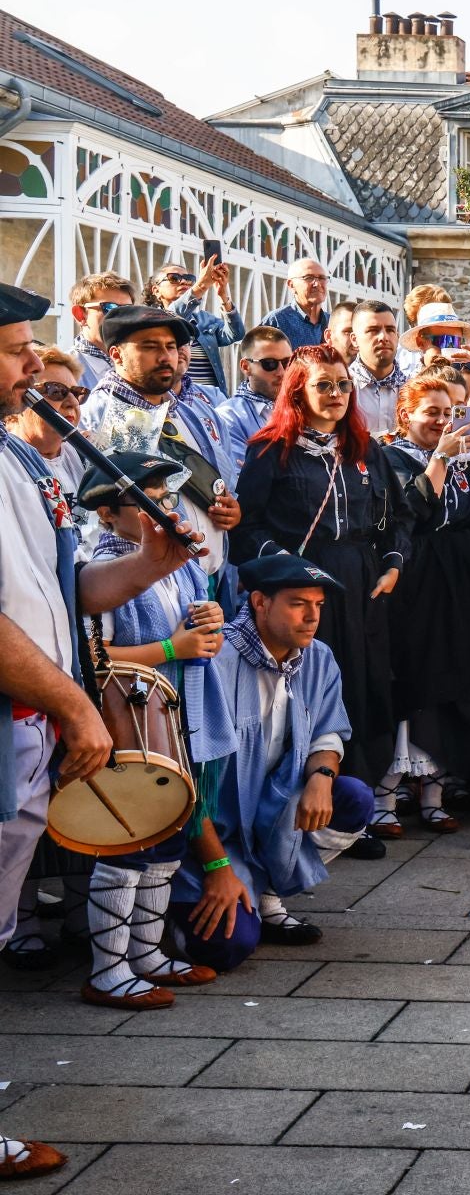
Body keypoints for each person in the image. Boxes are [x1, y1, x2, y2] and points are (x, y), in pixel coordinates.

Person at [0, 280, 205, 1183]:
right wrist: (77, 706)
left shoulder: (18, 461)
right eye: (17, 352)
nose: (31, 367)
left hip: (28, 723)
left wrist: (150, 562)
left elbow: (61, 595)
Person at [77, 454, 238, 1008]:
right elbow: (92, 659)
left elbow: (201, 622)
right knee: (127, 842)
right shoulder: (101, 569)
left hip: (180, 717)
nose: (162, 507)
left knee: (168, 837)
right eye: (144, 499)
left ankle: (146, 954)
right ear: (106, 514)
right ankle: (107, 971)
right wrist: (173, 647)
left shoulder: (181, 560)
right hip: (133, 722)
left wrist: (210, 623)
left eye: (164, 496)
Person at [172, 552, 373, 966]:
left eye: (318, 605)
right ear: (260, 602)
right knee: (225, 948)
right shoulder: (214, 660)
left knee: (352, 799)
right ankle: (163, 916)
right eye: (298, 604)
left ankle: (266, 892)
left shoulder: (318, 657)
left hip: (273, 818)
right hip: (208, 835)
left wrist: (321, 775)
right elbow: (187, 780)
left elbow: (329, 731)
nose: (312, 617)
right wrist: (217, 868)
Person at [232, 346, 408, 805]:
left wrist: (392, 565)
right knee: (308, 691)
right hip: (299, 588)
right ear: (298, 391)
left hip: (362, 584)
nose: (336, 394)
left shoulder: (366, 450)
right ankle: (298, 803)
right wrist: (286, 571)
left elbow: (397, 518)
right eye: (324, 385)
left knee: (363, 685)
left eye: (343, 385)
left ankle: (356, 802)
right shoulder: (271, 450)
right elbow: (245, 528)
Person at [371, 376, 470, 839]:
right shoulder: (390, 459)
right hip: (414, 587)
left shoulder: (466, 463)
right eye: (431, 412)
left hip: (459, 587)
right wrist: (440, 460)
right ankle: (384, 799)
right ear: (405, 415)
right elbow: (407, 514)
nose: (442, 421)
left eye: (449, 413)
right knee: (414, 684)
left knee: (454, 683)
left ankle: (435, 795)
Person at [78, 306, 243, 591]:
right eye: (150, 346)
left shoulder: (190, 411)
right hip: (147, 589)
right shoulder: (102, 415)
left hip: (207, 581)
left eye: (170, 346)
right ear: (116, 355)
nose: (166, 356)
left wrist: (231, 510)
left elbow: (224, 485)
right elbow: (97, 518)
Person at [149, 260, 243, 396]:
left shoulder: (204, 319)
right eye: (174, 278)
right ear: (156, 290)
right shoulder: (151, 320)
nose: (183, 282)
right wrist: (201, 286)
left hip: (210, 401)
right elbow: (171, 317)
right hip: (174, 400)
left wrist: (223, 297)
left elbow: (236, 334)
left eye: (188, 279)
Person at [5, 348, 88, 499]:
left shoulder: (86, 456)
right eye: (56, 391)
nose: (72, 402)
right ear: (19, 398)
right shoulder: (5, 462)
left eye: (76, 393)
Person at [215, 326, 294, 448]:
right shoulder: (229, 417)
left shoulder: (308, 404)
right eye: (269, 363)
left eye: (287, 362)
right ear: (246, 366)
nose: (281, 372)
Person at [347, 300, 407, 437]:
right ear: (354, 339)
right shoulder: (342, 388)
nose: (384, 337)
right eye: (373, 330)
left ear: (397, 336)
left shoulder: (412, 388)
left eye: (390, 330)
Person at [67, 272, 138, 387]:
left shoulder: (140, 362)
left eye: (127, 310)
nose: (121, 317)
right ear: (80, 314)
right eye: (110, 308)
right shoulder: (64, 371)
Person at [263, 258, 331, 351]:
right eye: (309, 278)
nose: (317, 284)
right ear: (291, 285)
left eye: (322, 278)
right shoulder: (277, 321)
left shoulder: (333, 323)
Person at [398, 299, 470, 378]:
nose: (449, 350)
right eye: (443, 341)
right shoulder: (411, 383)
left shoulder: (465, 376)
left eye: (455, 342)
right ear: (420, 343)